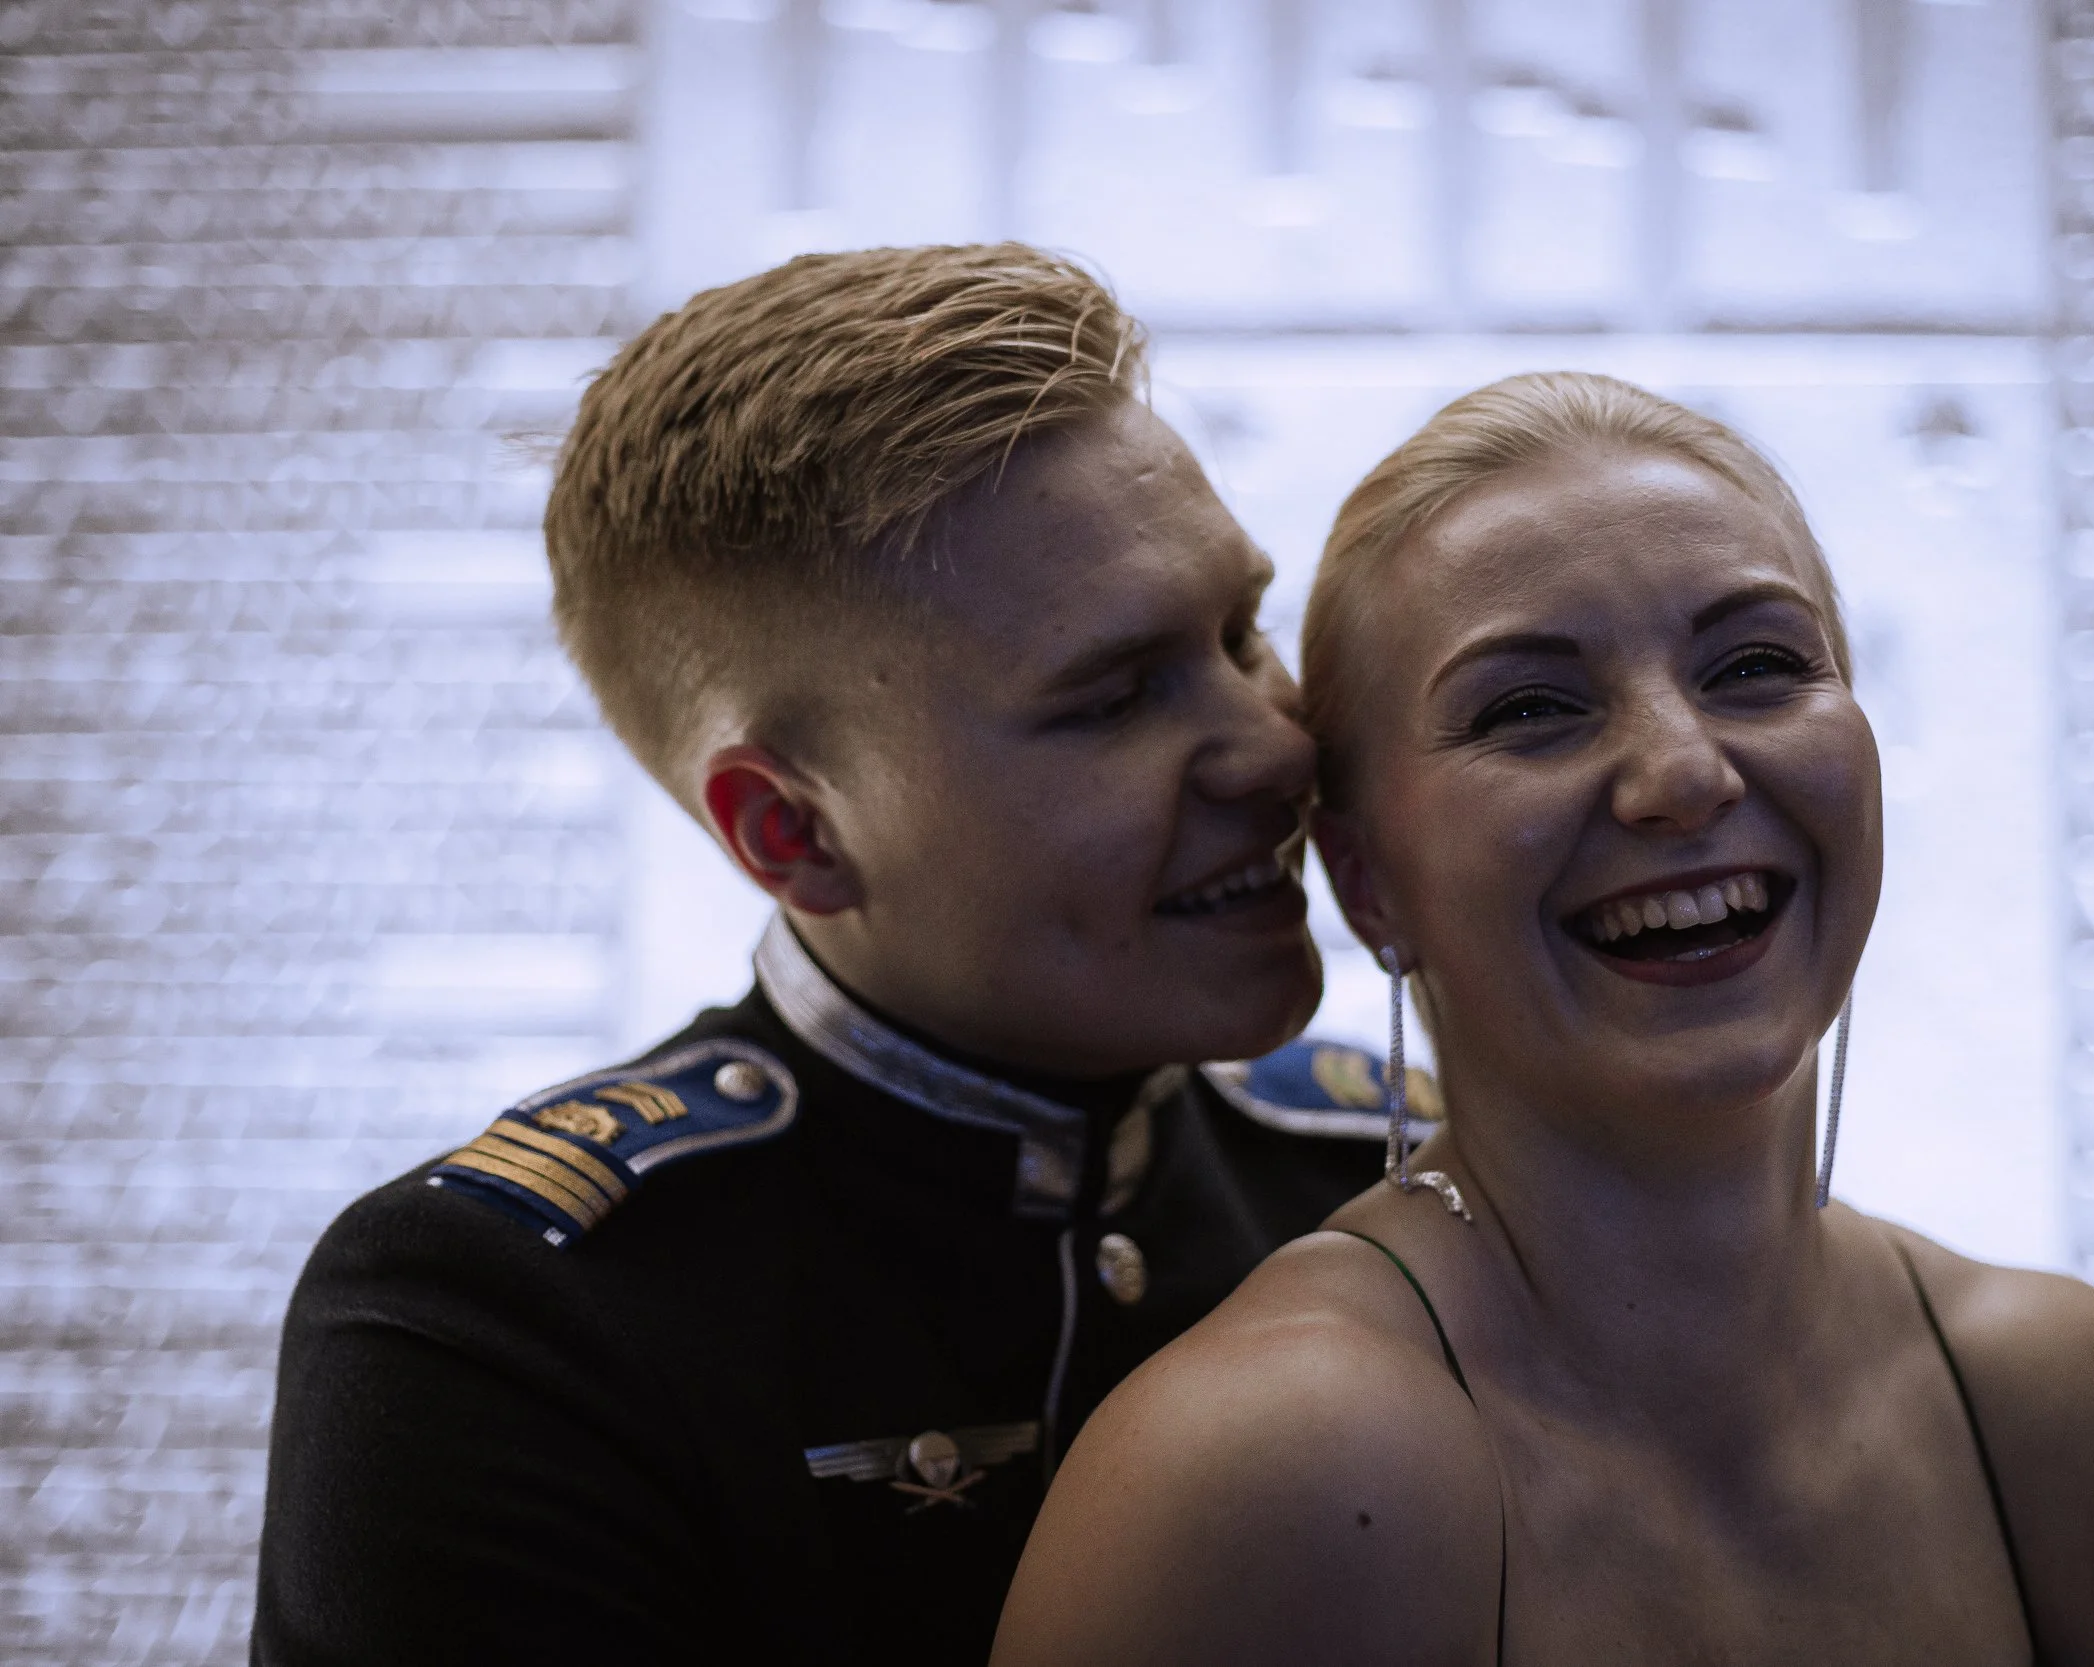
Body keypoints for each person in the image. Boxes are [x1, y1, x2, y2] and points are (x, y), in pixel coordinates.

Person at [251, 246, 1409, 1664]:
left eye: (1240, 630)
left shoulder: (1403, 1175)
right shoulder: (505, 1323)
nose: (1281, 744)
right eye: (1115, 700)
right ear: (791, 831)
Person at [993, 372, 2094, 1666]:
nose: (1684, 772)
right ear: (1364, 878)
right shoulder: (1272, 1462)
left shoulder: (2066, 1398)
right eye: (1529, 708)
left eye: (1756, 665)